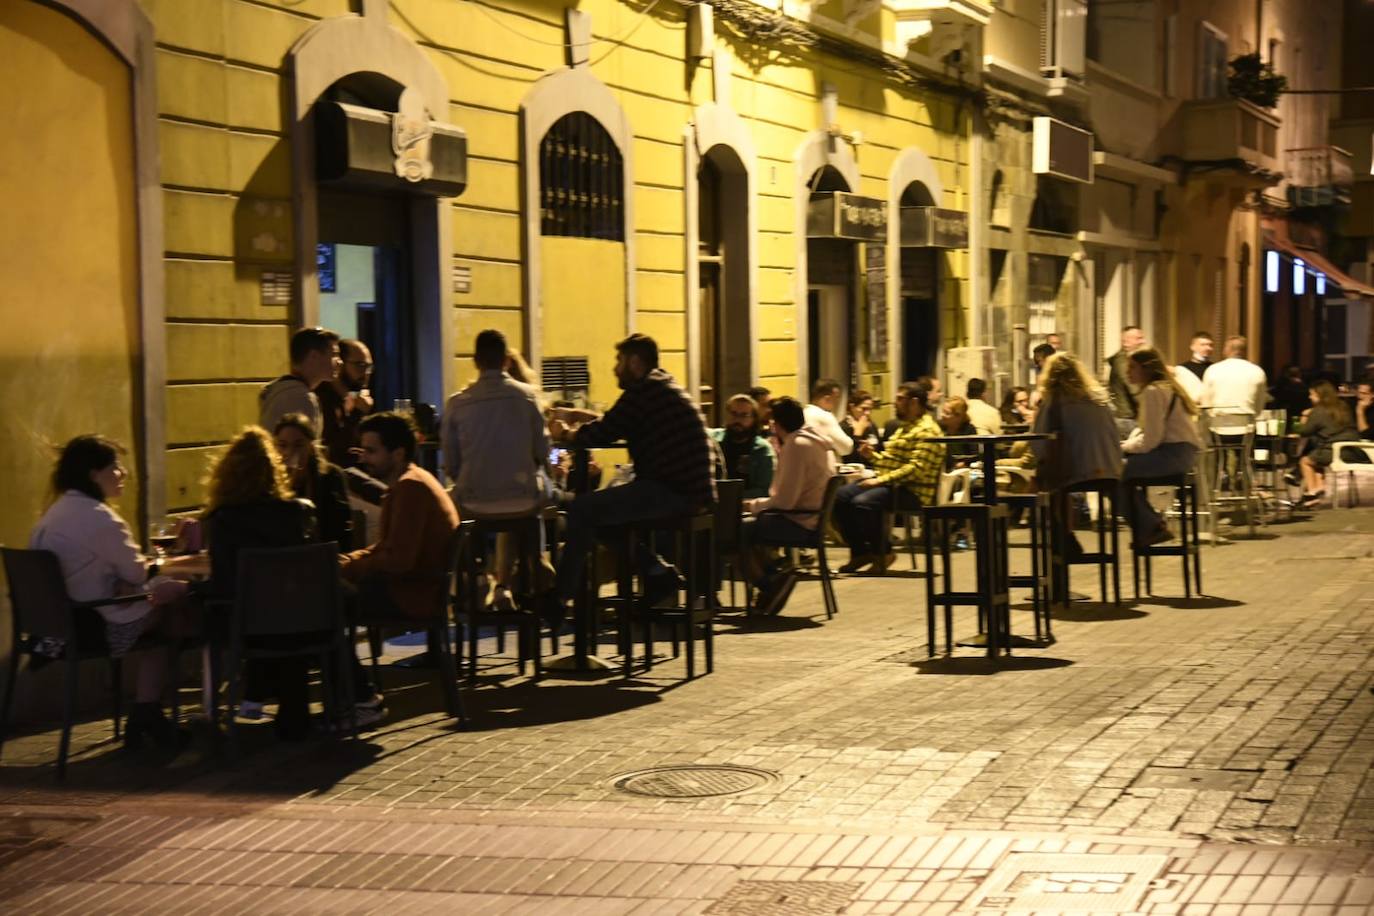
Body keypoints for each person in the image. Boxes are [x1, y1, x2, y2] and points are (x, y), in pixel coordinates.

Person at [29, 436, 191, 749]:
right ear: (94, 474)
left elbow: (124, 574)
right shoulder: (100, 518)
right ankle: (148, 713)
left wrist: (130, 581)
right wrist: (152, 572)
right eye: (115, 466)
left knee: (159, 601)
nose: (123, 473)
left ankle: (146, 715)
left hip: (53, 632)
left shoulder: (53, 514)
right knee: (173, 609)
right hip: (93, 627)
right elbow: (136, 572)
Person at [549, 334, 714, 609]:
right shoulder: (660, 386)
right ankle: (657, 573)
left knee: (582, 509)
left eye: (619, 361)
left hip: (673, 491)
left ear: (635, 362)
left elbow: (604, 432)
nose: (615, 369)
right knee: (598, 515)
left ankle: (560, 598)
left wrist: (565, 434)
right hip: (688, 489)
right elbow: (620, 422)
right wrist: (581, 417)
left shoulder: (643, 391)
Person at [201, 426, 326, 737]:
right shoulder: (298, 512)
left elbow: (224, 582)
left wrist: (191, 589)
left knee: (209, 611)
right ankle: (292, 711)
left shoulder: (223, 520)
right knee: (286, 609)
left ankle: (220, 711)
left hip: (245, 629)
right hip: (304, 625)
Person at [442, 330, 552, 610]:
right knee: (537, 496)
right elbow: (542, 452)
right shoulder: (528, 398)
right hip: (524, 500)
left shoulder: (457, 403)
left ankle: (475, 576)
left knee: (447, 505)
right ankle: (534, 563)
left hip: (474, 501)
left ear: (475, 361)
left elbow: (451, 464)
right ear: (506, 361)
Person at [342, 413, 460, 626]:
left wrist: (350, 568)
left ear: (397, 454)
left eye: (371, 451)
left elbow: (398, 560)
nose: (363, 459)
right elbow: (389, 547)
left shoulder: (410, 488)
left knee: (323, 593)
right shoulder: (415, 479)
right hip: (417, 590)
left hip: (411, 596)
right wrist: (350, 560)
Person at [834, 384, 945, 574]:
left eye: (900, 399)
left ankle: (883, 553)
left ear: (914, 403)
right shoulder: (906, 427)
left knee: (863, 503)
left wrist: (879, 480)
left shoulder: (928, 430)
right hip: (893, 484)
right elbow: (893, 461)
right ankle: (860, 552)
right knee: (840, 497)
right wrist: (872, 456)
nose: (895, 403)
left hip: (914, 490)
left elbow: (916, 469)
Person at [741, 397, 836, 616]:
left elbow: (785, 502)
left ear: (776, 424)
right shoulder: (817, 442)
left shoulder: (796, 445)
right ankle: (775, 577)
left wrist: (752, 505)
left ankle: (769, 585)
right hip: (812, 519)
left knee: (734, 531)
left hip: (798, 521)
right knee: (748, 528)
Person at [1031, 353, 1123, 558]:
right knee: (1055, 483)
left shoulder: (1053, 402)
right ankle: (1066, 538)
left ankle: (1063, 538)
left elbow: (1038, 443)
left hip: (1074, 472)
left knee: (1048, 484)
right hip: (1109, 470)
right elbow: (1114, 434)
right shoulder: (1100, 399)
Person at [1120, 349, 1203, 547]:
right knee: (1118, 470)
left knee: (1112, 472)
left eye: (1132, 367)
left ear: (1146, 368)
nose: (1127, 371)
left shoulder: (1153, 391)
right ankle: (1151, 525)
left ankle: (1151, 528)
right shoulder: (1166, 387)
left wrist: (1122, 447)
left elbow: (1151, 441)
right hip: (1183, 454)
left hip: (1171, 455)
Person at [273, 413, 353, 551]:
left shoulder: (330, 476)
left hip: (321, 553)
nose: (289, 452)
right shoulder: (270, 479)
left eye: (298, 445)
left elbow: (338, 529)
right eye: (283, 445)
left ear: (310, 447)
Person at [260, 327, 341, 432]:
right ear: (314, 356)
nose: (340, 362)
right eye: (334, 355)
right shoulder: (301, 398)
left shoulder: (282, 390)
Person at [1292, 380, 1360, 507]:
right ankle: (1317, 490)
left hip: (1335, 451)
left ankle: (1313, 492)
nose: (1310, 397)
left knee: (1305, 461)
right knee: (1316, 461)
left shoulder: (1318, 411)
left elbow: (1305, 431)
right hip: (1353, 450)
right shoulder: (1343, 406)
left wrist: (1304, 416)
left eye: (1312, 394)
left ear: (1320, 395)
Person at [315, 339, 374, 467]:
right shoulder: (322, 399)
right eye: (360, 365)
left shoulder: (348, 399)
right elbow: (332, 452)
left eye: (368, 367)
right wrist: (358, 413)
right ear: (340, 364)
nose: (366, 373)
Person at [710, 394, 775, 498]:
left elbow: (765, 490)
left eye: (744, 415)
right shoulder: (713, 440)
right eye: (734, 414)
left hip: (746, 504)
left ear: (753, 419)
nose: (737, 420)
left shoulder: (762, 450)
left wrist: (730, 496)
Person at [1200, 336, 1269, 417]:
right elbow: (1260, 403)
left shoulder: (1212, 370)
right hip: (1247, 422)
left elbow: (1206, 402)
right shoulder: (1257, 371)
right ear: (1245, 351)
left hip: (1218, 421)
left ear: (1226, 350)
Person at [804, 379, 855, 456]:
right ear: (827, 399)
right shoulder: (824, 415)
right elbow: (846, 448)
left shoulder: (805, 412)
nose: (838, 402)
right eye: (836, 397)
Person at [1106, 326, 1146, 420]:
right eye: (1138, 338)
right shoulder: (1123, 362)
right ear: (1126, 341)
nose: (1143, 341)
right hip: (1126, 419)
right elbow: (1134, 389)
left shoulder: (1127, 360)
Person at [839, 389, 880, 465]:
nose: (867, 413)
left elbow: (879, 450)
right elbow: (848, 457)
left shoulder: (872, 425)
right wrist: (857, 434)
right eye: (864, 409)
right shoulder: (843, 427)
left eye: (870, 409)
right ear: (852, 407)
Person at [938, 396, 979, 470]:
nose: (942, 415)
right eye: (942, 411)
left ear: (958, 416)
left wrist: (963, 464)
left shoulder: (969, 430)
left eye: (946, 413)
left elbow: (975, 455)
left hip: (964, 470)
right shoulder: (939, 428)